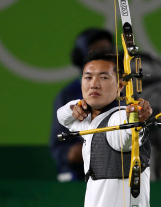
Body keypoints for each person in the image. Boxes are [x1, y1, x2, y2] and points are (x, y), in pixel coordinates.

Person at [57, 49, 153, 207]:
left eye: (103, 77)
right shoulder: (87, 119)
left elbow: (124, 135)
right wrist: (74, 107)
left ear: (120, 85)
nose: (94, 84)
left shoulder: (118, 118)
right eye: (88, 77)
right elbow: (61, 116)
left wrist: (133, 119)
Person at [49, 28, 114, 182]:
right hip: (79, 178)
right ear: (81, 57)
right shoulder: (67, 95)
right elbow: (59, 147)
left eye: (108, 50)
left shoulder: (126, 92)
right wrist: (71, 154)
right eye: (96, 51)